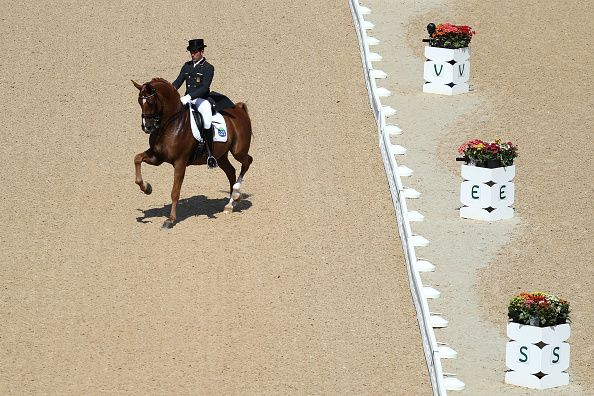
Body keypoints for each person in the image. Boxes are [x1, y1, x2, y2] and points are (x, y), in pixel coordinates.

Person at [172, 38, 217, 168]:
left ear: (202, 52)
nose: (192, 54)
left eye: (195, 52)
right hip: (187, 99)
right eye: (191, 52)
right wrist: (169, 91)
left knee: (207, 121)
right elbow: (177, 82)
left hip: (202, 100)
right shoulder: (187, 66)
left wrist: (189, 96)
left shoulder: (208, 68)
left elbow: (204, 87)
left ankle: (210, 155)